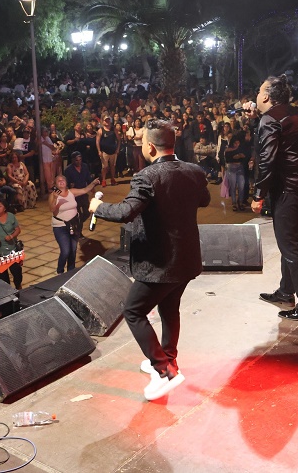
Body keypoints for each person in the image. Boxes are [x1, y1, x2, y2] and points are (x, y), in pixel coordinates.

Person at [89, 118, 210, 401]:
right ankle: (168, 359)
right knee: (169, 309)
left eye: (143, 141)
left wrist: (98, 207)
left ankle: (165, 371)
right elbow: (203, 200)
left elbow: (125, 212)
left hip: (159, 263)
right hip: (186, 259)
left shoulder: (147, 176)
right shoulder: (194, 171)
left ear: (151, 148)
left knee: (133, 311)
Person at [249, 75, 298, 320]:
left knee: (289, 246)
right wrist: (257, 119)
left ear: (266, 96)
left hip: (289, 189)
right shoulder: (290, 112)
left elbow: (267, 160)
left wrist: (259, 194)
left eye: (259, 91)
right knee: (288, 241)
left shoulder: (269, 120)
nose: (257, 95)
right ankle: (286, 291)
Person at [50, 174, 99, 274]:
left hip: (74, 224)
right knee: (65, 251)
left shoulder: (71, 192)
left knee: (73, 250)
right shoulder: (53, 195)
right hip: (60, 226)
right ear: (55, 184)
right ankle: (60, 271)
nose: (61, 182)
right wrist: (55, 199)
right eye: (59, 181)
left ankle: (71, 271)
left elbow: (85, 190)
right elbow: (52, 210)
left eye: (63, 180)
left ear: (66, 182)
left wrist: (93, 183)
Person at [0, 200, 22, 289]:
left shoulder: (11, 216)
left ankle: (18, 286)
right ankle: (8, 291)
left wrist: (11, 236)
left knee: (17, 272)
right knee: (3, 275)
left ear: (5, 208)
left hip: (12, 249)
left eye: (0, 206)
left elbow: (18, 229)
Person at [63, 151, 96, 226]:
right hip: (74, 195)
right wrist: (69, 186)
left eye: (80, 160)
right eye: (76, 160)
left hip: (83, 193)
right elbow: (65, 183)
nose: (79, 162)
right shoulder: (68, 170)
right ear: (72, 160)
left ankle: (78, 223)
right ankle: (77, 227)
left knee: (87, 212)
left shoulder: (84, 166)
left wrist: (92, 187)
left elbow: (88, 178)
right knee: (77, 214)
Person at [96, 116, 120, 187]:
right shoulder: (100, 130)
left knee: (113, 166)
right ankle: (103, 180)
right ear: (103, 121)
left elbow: (119, 139)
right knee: (104, 167)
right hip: (104, 151)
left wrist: (118, 149)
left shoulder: (114, 129)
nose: (107, 122)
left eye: (108, 120)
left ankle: (112, 179)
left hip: (113, 151)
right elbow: (97, 141)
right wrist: (99, 150)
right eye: (105, 120)